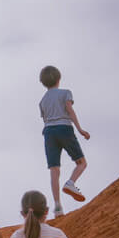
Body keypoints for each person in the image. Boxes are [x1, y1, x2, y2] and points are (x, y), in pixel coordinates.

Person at [39, 65, 90, 217]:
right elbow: (70, 110)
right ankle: (70, 183)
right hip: (64, 128)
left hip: (48, 132)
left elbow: (45, 119)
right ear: (59, 79)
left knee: (54, 169)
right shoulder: (65, 93)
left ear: (43, 82)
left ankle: (57, 206)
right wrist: (80, 129)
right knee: (81, 163)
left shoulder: (42, 101)